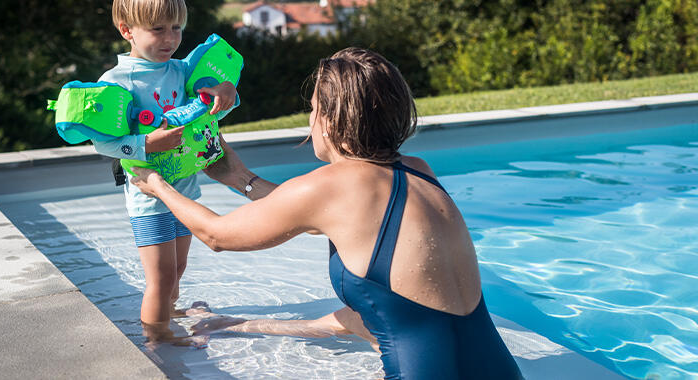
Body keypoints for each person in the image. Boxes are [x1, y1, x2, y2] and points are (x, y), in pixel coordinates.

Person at [131, 48, 523, 378]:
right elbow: (375, 317)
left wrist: (156, 185)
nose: (311, 119)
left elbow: (217, 235)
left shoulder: (330, 185)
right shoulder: (417, 170)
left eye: (314, 108)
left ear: (332, 119)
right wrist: (246, 325)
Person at [93, 0, 240, 343]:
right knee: (159, 280)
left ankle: (169, 314)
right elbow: (103, 145)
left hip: (185, 189)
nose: (170, 39)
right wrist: (145, 145)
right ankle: (158, 342)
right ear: (127, 30)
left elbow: (211, 112)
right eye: (157, 29)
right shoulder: (116, 82)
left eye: (176, 28)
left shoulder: (182, 71)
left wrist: (227, 91)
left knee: (177, 271)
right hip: (149, 194)